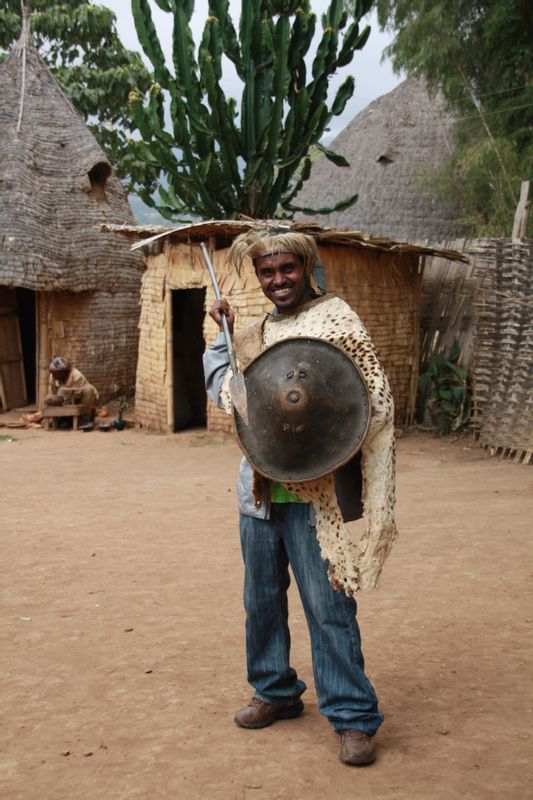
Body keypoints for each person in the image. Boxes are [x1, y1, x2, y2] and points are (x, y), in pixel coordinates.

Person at [203, 229, 398, 766]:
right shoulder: (257, 331)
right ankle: (275, 690)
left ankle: (353, 716)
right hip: (261, 492)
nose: (277, 281)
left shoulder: (336, 320)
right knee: (260, 602)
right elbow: (229, 391)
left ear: (306, 266)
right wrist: (223, 337)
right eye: (266, 272)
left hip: (317, 497)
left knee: (328, 606)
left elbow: (370, 397)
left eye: (286, 269)